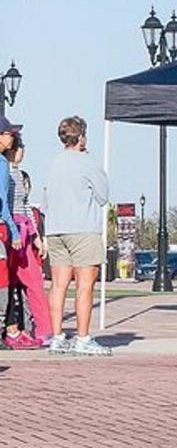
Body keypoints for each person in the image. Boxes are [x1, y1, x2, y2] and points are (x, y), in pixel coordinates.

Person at [44, 116, 109, 356]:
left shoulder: (54, 163)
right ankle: (82, 338)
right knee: (84, 285)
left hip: (55, 228)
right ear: (81, 136)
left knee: (58, 285)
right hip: (82, 228)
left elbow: (46, 198)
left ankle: (57, 337)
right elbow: (103, 196)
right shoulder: (87, 162)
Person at [4, 140, 49, 347]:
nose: (23, 151)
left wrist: (36, 235)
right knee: (9, 283)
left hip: (23, 231)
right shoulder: (5, 171)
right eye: (20, 147)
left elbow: (26, 206)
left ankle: (43, 329)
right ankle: (12, 328)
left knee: (33, 281)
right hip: (11, 230)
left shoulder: (18, 175)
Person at [0, 124, 25, 350]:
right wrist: (14, 232)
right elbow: (2, 202)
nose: (13, 138)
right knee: (3, 281)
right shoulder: (2, 164)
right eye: (10, 134)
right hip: (1, 227)